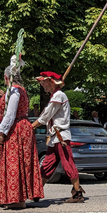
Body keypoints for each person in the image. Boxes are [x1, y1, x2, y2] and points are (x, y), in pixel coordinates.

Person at [0, 56, 44, 209]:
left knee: (13, 162)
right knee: (5, 161)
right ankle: (0, 196)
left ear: (6, 77)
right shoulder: (19, 90)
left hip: (16, 129)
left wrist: (1, 131)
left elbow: (10, 114)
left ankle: (17, 199)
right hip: (21, 127)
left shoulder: (14, 90)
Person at [32, 72, 85, 203]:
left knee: (68, 164)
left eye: (44, 82)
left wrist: (30, 126)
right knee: (47, 165)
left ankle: (78, 193)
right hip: (55, 137)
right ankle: (37, 192)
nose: (42, 84)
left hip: (61, 137)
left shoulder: (59, 95)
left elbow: (45, 117)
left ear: (51, 82)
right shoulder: (55, 96)